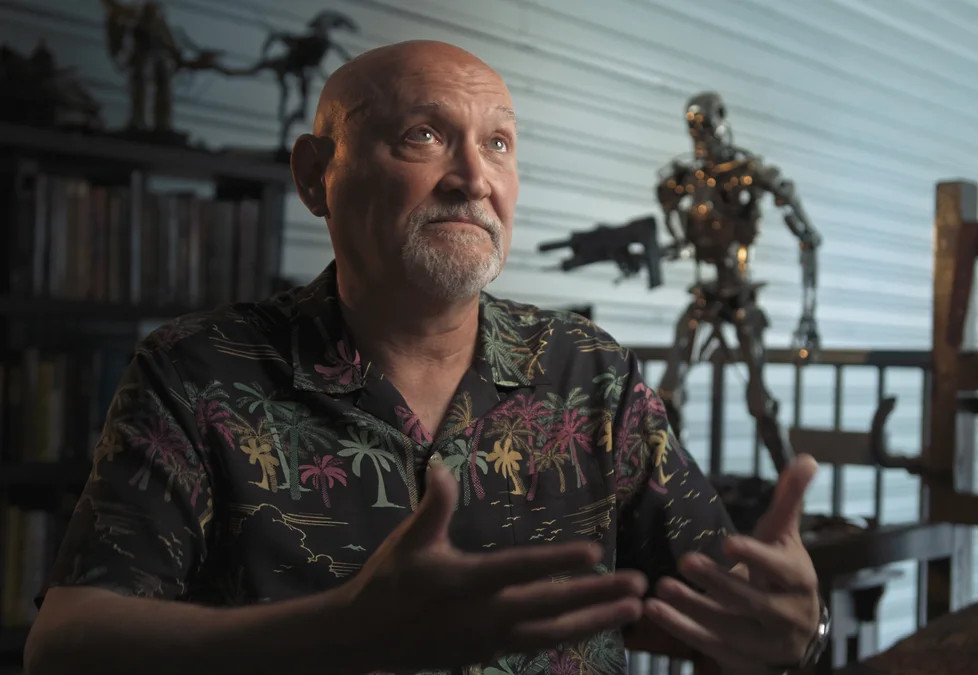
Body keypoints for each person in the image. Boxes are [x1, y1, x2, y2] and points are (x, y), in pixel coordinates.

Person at [24, 40, 826, 675]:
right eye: (426, 135)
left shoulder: (590, 373)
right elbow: (64, 645)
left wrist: (794, 627)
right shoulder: (198, 371)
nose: (474, 178)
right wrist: (342, 629)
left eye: (499, 143)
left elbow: (726, 604)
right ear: (315, 176)